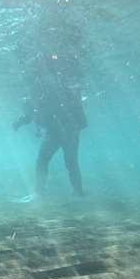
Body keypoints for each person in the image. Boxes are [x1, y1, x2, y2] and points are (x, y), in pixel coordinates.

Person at [12, 69, 88, 201]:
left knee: (44, 161)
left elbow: (29, 114)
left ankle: (40, 192)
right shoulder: (48, 90)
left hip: (60, 131)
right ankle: (77, 193)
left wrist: (19, 123)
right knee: (70, 162)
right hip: (69, 130)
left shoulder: (38, 92)